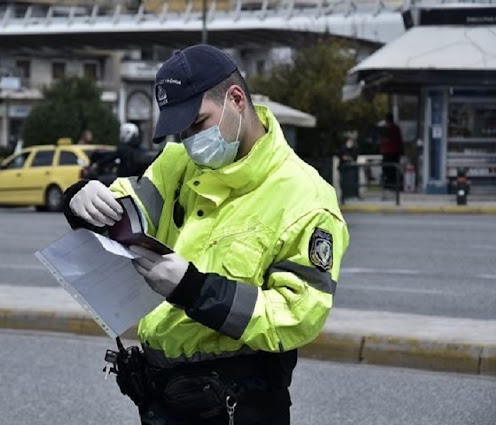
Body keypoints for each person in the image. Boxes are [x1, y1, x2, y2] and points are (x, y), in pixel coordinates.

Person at [62, 44, 349, 425]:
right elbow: (127, 213)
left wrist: (194, 289)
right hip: (163, 398)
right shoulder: (178, 161)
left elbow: (297, 316)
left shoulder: (305, 196)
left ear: (236, 99)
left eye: (197, 124)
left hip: (238, 405)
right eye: (181, 132)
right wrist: (81, 200)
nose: (190, 142)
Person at [380, 113, 403, 191]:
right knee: (393, 169)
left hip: (388, 152)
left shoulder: (387, 129)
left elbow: (384, 139)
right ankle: (393, 185)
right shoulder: (396, 128)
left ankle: (389, 185)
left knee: (387, 169)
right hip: (395, 152)